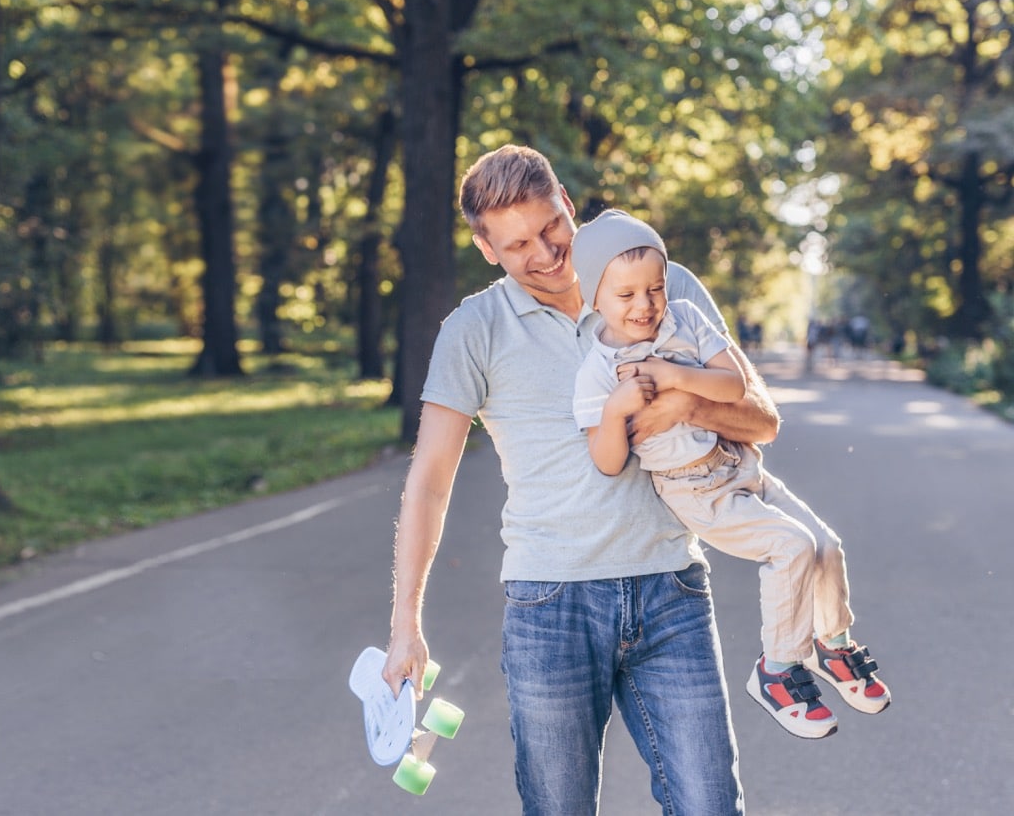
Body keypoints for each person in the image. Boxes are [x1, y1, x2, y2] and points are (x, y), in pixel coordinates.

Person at [381, 144, 778, 815]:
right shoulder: (473, 330)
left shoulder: (658, 281)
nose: (543, 252)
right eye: (516, 245)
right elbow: (428, 482)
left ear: (568, 201)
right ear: (486, 249)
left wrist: (680, 399)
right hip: (549, 605)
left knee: (712, 804)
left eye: (550, 226)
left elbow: (761, 418)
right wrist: (404, 625)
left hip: (670, 588)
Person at [570, 210, 891, 741]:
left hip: (739, 462)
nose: (645, 305)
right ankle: (778, 671)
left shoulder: (688, 317)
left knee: (825, 544)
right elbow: (606, 461)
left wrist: (674, 377)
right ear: (594, 299)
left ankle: (833, 642)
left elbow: (733, 388)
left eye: (654, 289)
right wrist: (614, 412)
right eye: (626, 296)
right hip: (695, 489)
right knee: (790, 546)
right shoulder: (597, 371)